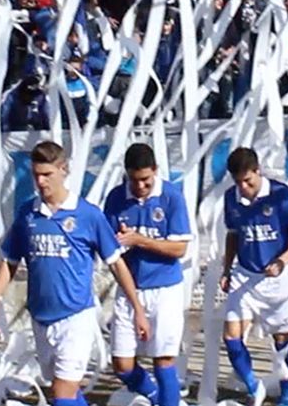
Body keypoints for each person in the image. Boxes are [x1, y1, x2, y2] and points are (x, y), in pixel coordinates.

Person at [0, 142, 149, 406]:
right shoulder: (28, 213)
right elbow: (10, 261)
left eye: (47, 174)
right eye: (36, 174)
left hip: (75, 317)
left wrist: (137, 309)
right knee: (63, 391)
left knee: (63, 392)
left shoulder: (88, 215)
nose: (40, 181)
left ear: (64, 170)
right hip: (40, 317)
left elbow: (117, 264)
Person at [101, 143, 192, 406]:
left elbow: (179, 248)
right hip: (130, 288)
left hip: (165, 289)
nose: (140, 186)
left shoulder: (171, 197)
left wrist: (140, 240)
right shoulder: (116, 198)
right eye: (134, 180)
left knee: (163, 360)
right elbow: (111, 250)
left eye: (145, 180)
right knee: (122, 364)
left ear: (155, 170)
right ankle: (155, 397)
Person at [221, 146, 288, 406]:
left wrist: (283, 260)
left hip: (276, 278)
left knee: (281, 339)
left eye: (248, 181)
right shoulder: (231, 197)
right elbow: (233, 235)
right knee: (231, 336)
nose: (244, 187)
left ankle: (286, 395)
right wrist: (226, 269)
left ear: (258, 171)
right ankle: (254, 387)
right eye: (238, 182)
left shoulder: (281, 194)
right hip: (244, 275)